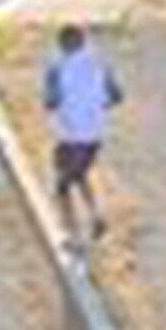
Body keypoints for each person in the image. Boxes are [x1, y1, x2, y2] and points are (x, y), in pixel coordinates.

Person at [44, 23, 123, 236]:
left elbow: (50, 102)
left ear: (62, 44)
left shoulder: (56, 68)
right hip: (95, 134)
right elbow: (117, 96)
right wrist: (96, 104)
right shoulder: (101, 63)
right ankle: (96, 215)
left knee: (62, 185)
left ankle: (71, 232)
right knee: (80, 174)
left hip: (69, 135)